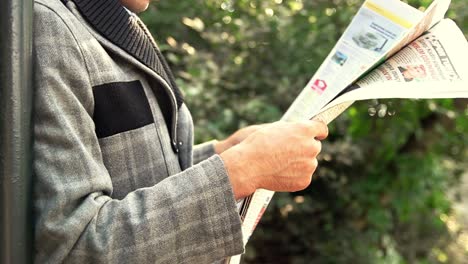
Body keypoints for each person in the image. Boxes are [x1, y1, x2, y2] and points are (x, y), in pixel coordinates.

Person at [33, 0, 328, 263]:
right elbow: (71, 247)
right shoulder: (46, 25)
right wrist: (239, 172)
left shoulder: (112, 20)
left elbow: (134, 174)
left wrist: (223, 152)